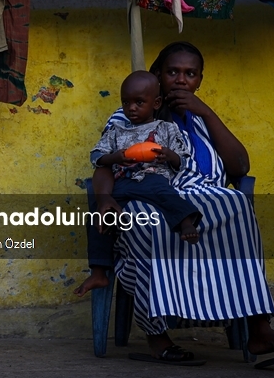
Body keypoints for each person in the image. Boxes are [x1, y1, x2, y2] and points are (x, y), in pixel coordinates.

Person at [91, 42, 274, 367]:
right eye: (173, 72)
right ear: (158, 75)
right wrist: (105, 199)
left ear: (200, 79)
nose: (181, 80)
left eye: (190, 74)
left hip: (204, 196)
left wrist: (206, 112)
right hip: (148, 195)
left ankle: (260, 330)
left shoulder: (200, 117)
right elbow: (103, 164)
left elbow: (239, 167)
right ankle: (157, 337)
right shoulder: (132, 112)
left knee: (238, 206)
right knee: (147, 222)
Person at [75, 71, 201, 296]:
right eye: (126, 102)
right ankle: (98, 272)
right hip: (122, 183)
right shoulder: (116, 131)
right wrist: (116, 157)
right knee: (96, 215)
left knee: (165, 194)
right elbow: (96, 157)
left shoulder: (166, 129)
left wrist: (167, 155)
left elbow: (182, 160)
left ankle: (187, 223)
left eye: (139, 102)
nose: (131, 108)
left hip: (152, 179)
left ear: (156, 103)